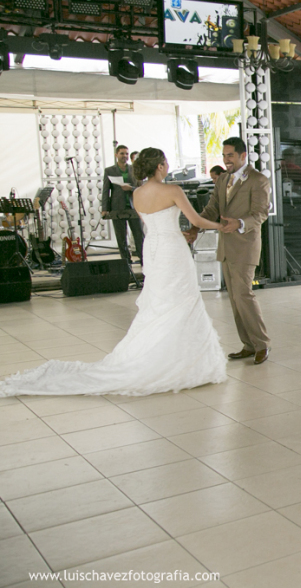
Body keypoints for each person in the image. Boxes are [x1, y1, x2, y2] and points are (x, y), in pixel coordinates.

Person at [1, 148, 227, 397]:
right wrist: (221, 226)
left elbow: (149, 222)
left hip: (152, 247)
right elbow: (195, 219)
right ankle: (181, 358)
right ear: (160, 166)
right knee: (181, 299)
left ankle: (159, 352)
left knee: (159, 300)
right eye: (165, 163)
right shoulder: (173, 190)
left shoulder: (138, 192)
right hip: (172, 248)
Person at [186, 137, 272, 365]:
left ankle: (262, 344)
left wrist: (240, 223)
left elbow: (260, 213)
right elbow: (212, 208)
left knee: (244, 295)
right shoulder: (222, 179)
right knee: (234, 299)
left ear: (243, 156)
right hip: (225, 247)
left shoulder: (258, 180)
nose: (226, 160)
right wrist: (195, 227)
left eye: (230, 156)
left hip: (245, 247)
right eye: (224, 156)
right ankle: (248, 344)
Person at [102, 144, 145, 265]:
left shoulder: (134, 169)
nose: (125, 156)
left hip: (133, 206)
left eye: (126, 153)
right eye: (122, 153)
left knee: (138, 235)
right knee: (121, 237)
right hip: (117, 207)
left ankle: (143, 260)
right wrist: (105, 209)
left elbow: (141, 188)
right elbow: (106, 190)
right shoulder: (109, 170)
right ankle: (125, 261)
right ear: (116, 155)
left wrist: (130, 188)